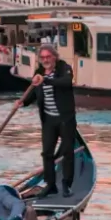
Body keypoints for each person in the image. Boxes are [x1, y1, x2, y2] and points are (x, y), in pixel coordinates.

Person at [23, 42, 76, 198]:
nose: (45, 60)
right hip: (48, 120)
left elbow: (66, 83)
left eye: (48, 57)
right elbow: (33, 92)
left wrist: (45, 80)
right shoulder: (39, 72)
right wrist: (23, 102)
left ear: (54, 57)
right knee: (47, 153)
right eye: (43, 57)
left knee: (67, 152)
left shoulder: (63, 68)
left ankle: (66, 184)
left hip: (66, 118)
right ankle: (51, 184)